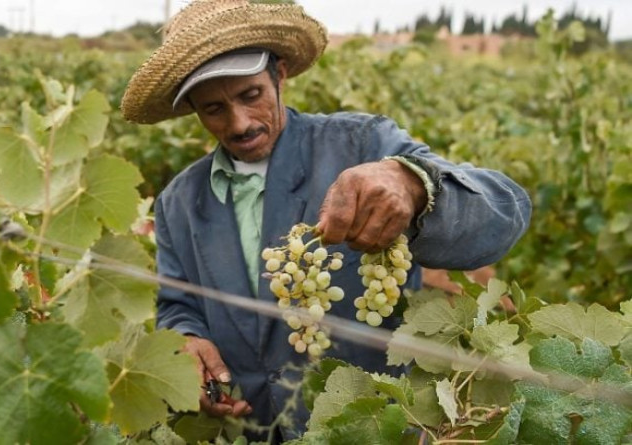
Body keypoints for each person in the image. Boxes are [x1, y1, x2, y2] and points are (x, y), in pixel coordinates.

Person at [121, 0, 531, 441]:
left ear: (279, 74)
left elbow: (505, 210)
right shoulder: (177, 201)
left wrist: (413, 184)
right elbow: (178, 303)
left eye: (250, 96)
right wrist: (187, 340)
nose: (239, 123)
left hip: (374, 431)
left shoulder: (365, 143)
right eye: (213, 109)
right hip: (253, 430)